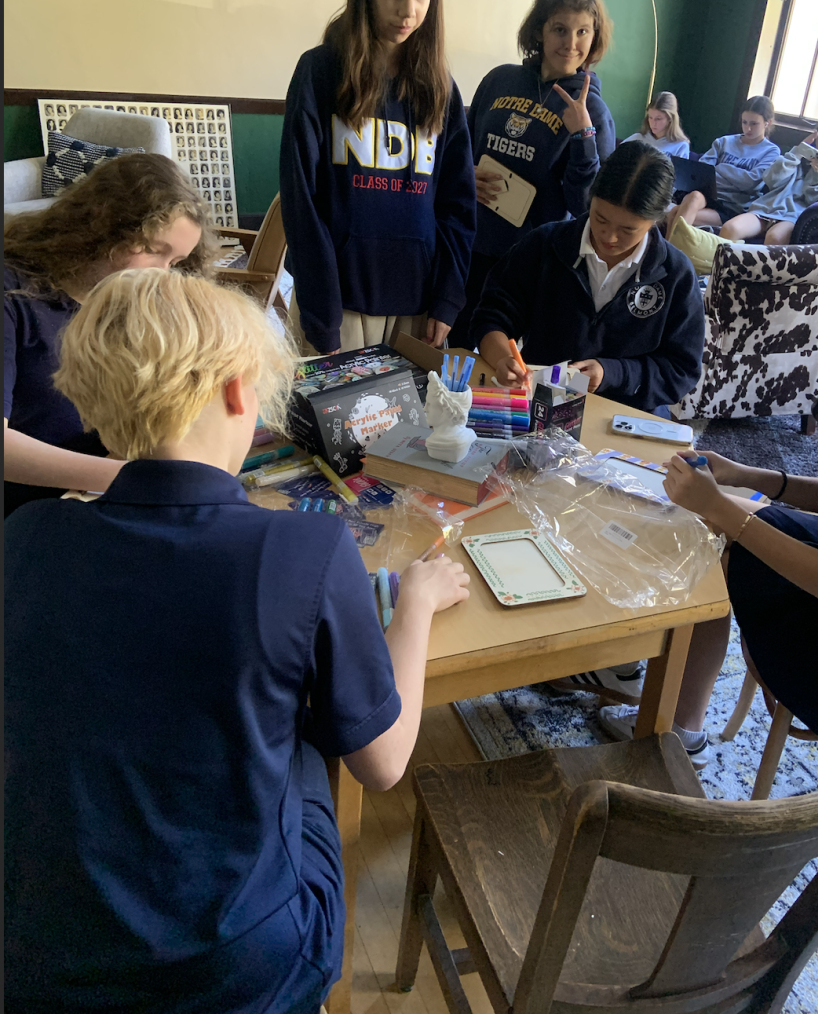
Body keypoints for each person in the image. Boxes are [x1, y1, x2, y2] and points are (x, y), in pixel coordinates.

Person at [4, 268, 471, 1014]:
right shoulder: (309, 549)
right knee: (312, 734)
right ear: (235, 392)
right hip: (240, 968)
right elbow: (383, 763)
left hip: (43, 961)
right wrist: (412, 609)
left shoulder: (22, 539)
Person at [598, 213, 818, 770]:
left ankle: (674, 723)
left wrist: (720, 508)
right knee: (717, 521)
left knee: (715, 530)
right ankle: (672, 709)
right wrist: (744, 476)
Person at [280, 0, 476, 356]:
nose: (409, 11)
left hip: (417, 312)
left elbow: (458, 208)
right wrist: (322, 316)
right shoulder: (319, 73)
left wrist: (447, 300)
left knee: (414, 430)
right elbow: (301, 204)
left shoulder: (442, 89)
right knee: (322, 428)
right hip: (338, 307)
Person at [4, 152, 217, 518]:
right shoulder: (13, 295)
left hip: (101, 494)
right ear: (103, 227)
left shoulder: (131, 299)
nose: (162, 275)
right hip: (31, 512)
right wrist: (124, 476)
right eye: (153, 250)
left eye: (175, 263)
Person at [471, 140, 705, 417]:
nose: (609, 237)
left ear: (657, 219)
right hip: (542, 405)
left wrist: (612, 373)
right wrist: (503, 359)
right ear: (590, 199)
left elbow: (680, 370)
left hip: (624, 414)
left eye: (628, 229)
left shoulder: (674, 274)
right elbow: (491, 315)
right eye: (600, 218)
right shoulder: (546, 244)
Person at [450, 0, 615, 346]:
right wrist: (464, 176)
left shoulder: (595, 113)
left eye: (582, 32)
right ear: (540, 30)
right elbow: (456, 150)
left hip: (531, 265)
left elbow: (587, 206)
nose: (570, 43)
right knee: (453, 357)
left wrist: (583, 137)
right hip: (469, 247)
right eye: (560, 29)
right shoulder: (499, 80)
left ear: (594, 36)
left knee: (505, 368)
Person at [718, 111, 818, 246]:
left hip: (794, 217)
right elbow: (771, 179)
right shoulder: (799, 159)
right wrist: (797, 152)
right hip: (766, 209)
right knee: (729, 229)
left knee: (774, 238)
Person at [667, 95, 780, 238]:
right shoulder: (724, 142)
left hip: (732, 206)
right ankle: (670, 257)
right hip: (708, 195)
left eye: (754, 123)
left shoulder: (771, 151)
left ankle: (669, 257)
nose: (748, 128)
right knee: (693, 197)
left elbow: (751, 183)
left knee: (675, 214)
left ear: (767, 123)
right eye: (744, 122)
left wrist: (721, 167)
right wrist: (733, 176)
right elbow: (702, 171)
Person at [623, 90, 690, 159]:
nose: (653, 123)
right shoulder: (636, 138)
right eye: (650, 117)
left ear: (670, 119)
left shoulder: (680, 146)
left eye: (658, 119)